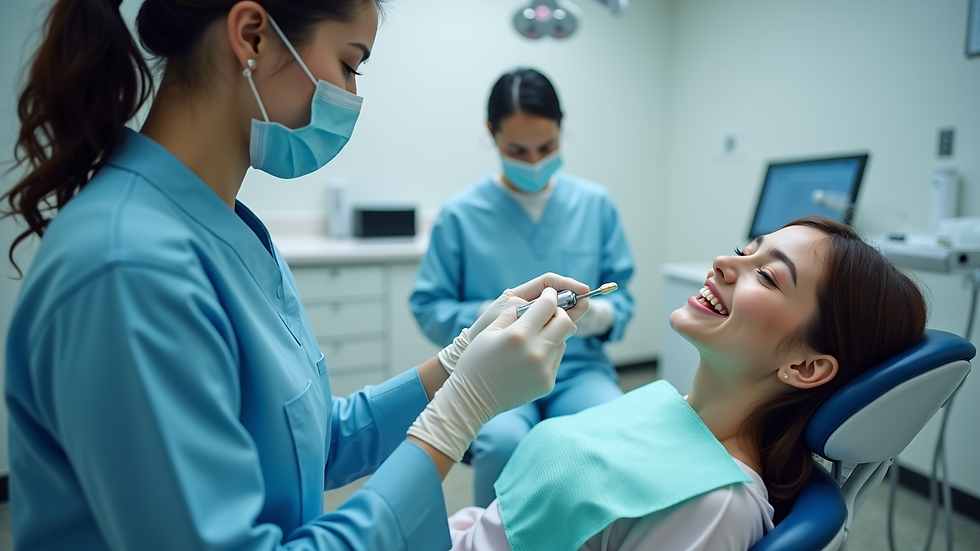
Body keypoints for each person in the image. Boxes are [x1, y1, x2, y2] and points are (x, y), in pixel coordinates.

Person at [1, 1, 593, 549]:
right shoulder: (129, 267)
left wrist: (455, 363)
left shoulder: (227, 228)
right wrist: (457, 416)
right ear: (252, 35)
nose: (352, 95)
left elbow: (313, 442)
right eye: (350, 64)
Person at [445, 217, 928, 551]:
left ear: (806, 367)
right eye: (744, 251)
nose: (721, 262)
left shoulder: (715, 506)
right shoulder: (665, 402)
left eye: (766, 275)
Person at [410, 67, 636, 506]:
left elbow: (623, 295)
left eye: (546, 147)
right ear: (491, 134)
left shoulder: (595, 205)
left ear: (561, 128)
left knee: (610, 432)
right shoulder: (460, 215)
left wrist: (602, 315)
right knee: (503, 444)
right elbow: (429, 305)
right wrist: (501, 316)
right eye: (517, 150)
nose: (533, 161)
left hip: (579, 370)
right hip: (496, 370)